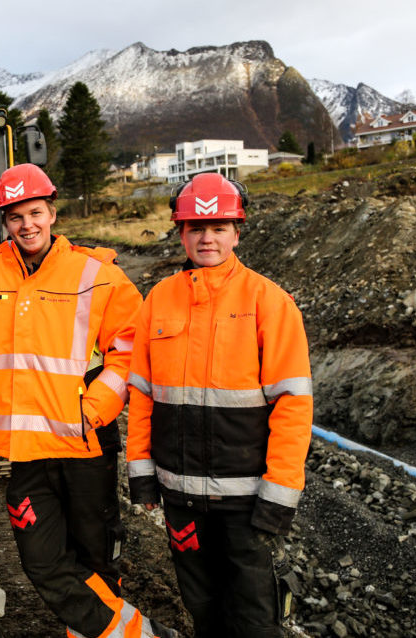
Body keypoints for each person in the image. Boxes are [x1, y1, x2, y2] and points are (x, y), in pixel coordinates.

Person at [0, 163, 179, 638]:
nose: (27, 225)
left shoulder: (96, 273)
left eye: (36, 213)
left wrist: (92, 411)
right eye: (16, 217)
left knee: (96, 559)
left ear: (52, 213)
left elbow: (129, 350)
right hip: (26, 452)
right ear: (4, 221)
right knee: (42, 561)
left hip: (85, 445)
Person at [126, 173, 313, 637]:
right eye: (195, 228)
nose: (207, 238)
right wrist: (142, 475)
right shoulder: (158, 300)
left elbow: (292, 404)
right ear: (181, 233)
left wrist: (279, 496)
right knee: (202, 608)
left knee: (254, 618)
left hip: (245, 502)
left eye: (218, 227)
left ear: (237, 233)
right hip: (180, 499)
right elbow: (142, 395)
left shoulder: (269, 301)